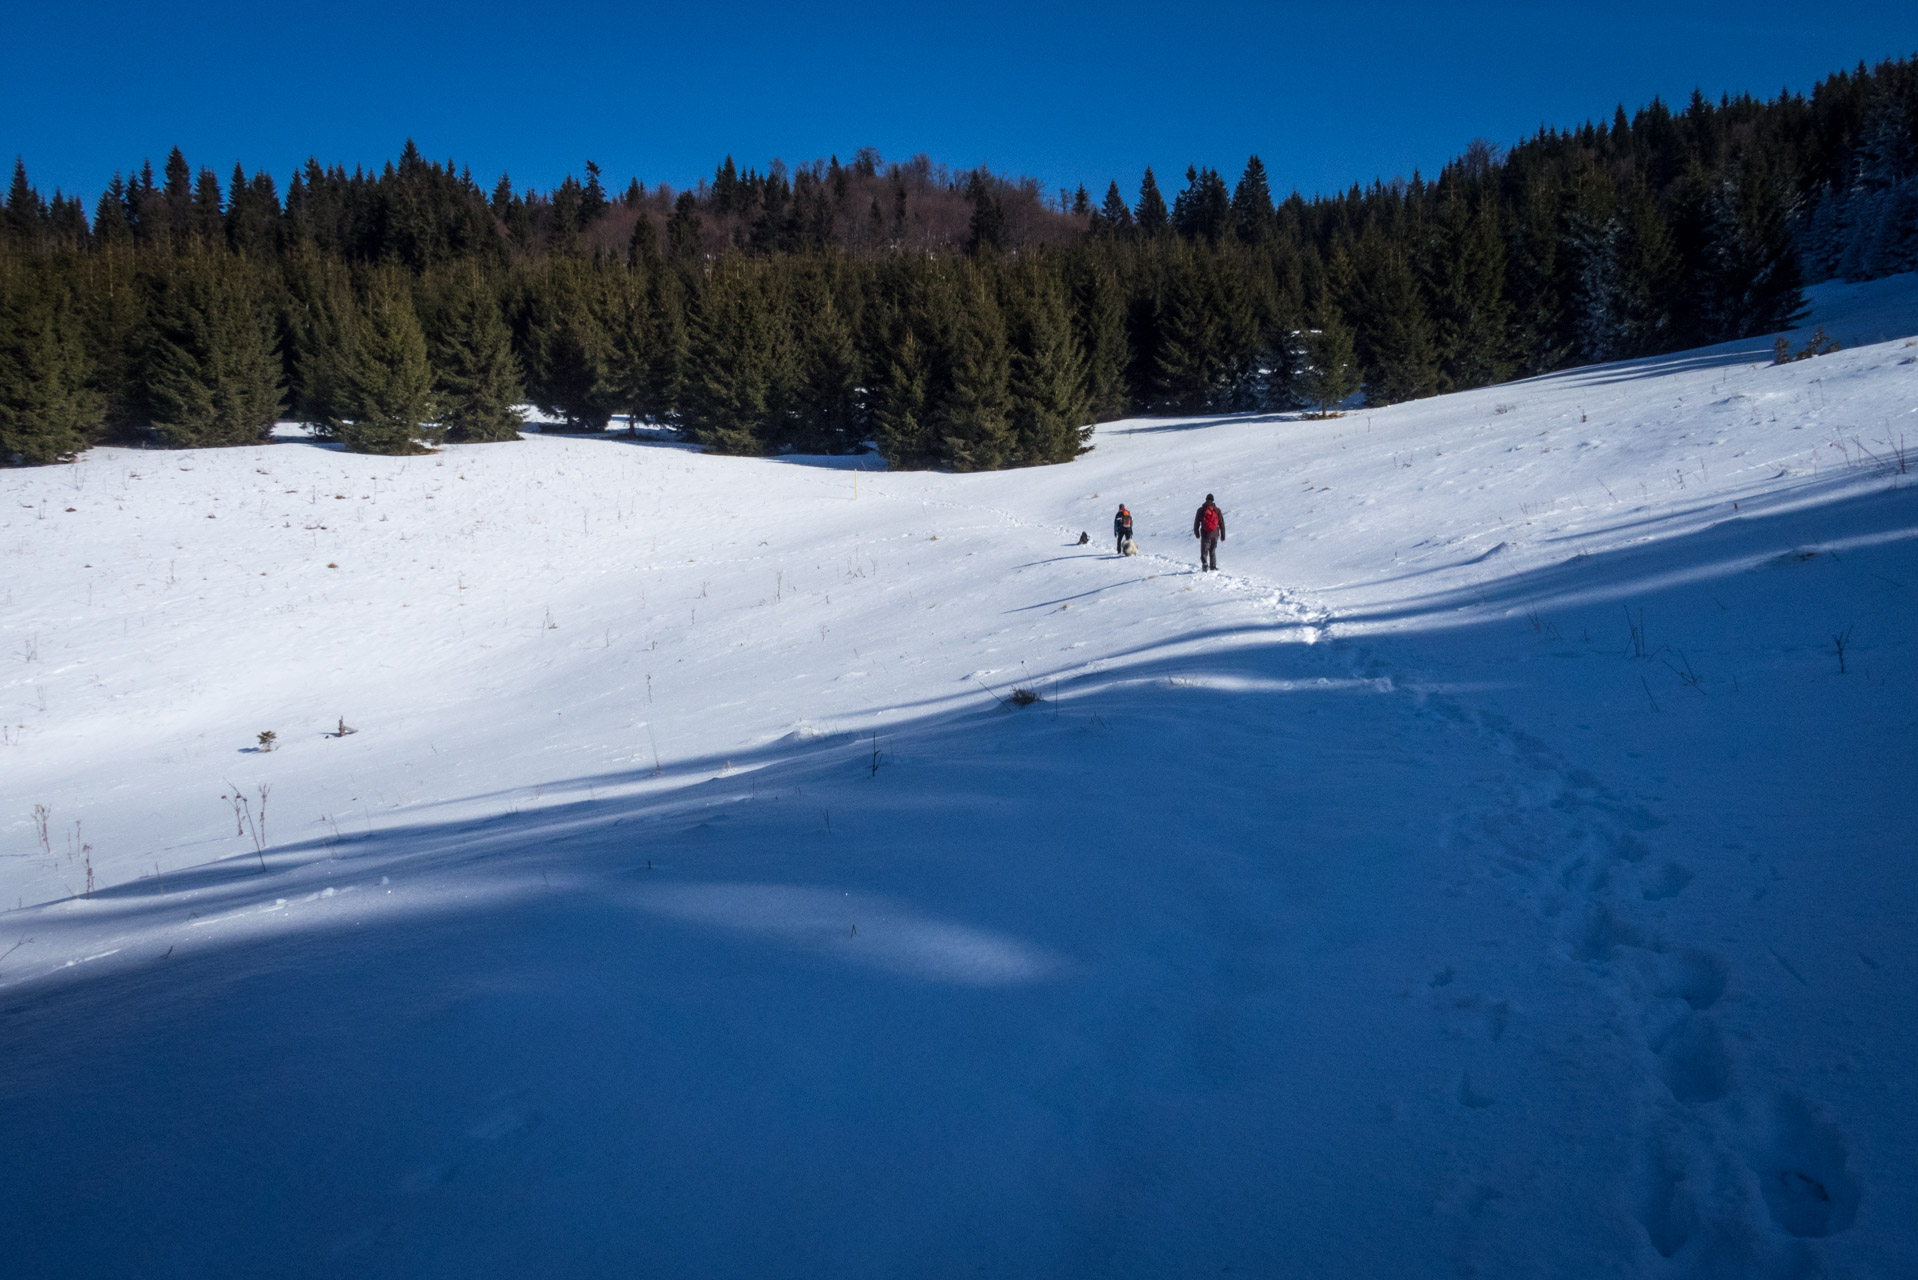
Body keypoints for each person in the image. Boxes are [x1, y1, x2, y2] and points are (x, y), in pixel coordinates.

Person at [1192, 494, 1224, 571]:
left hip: (1205, 533)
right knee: (1212, 550)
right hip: (1215, 533)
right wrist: (1223, 534)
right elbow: (1221, 523)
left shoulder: (1201, 510)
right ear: (1213, 500)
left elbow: (1196, 522)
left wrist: (1196, 532)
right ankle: (1213, 567)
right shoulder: (1217, 510)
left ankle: (1205, 564)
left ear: (1206, 499)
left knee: (1204, 550)